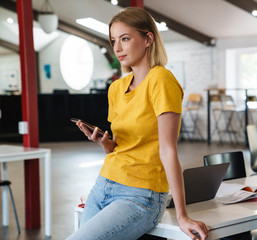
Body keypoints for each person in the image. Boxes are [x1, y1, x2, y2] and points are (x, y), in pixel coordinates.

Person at [67, 7, 209, 240]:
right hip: (103, 184)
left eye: (125, 39)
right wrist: (104, 143)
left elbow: (168, 149)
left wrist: (183, 215)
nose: (117, 48)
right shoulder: (116, 88)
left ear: (148, 39)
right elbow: (119, 148)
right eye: (113, 41)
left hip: (141, 195)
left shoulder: (161, 80)